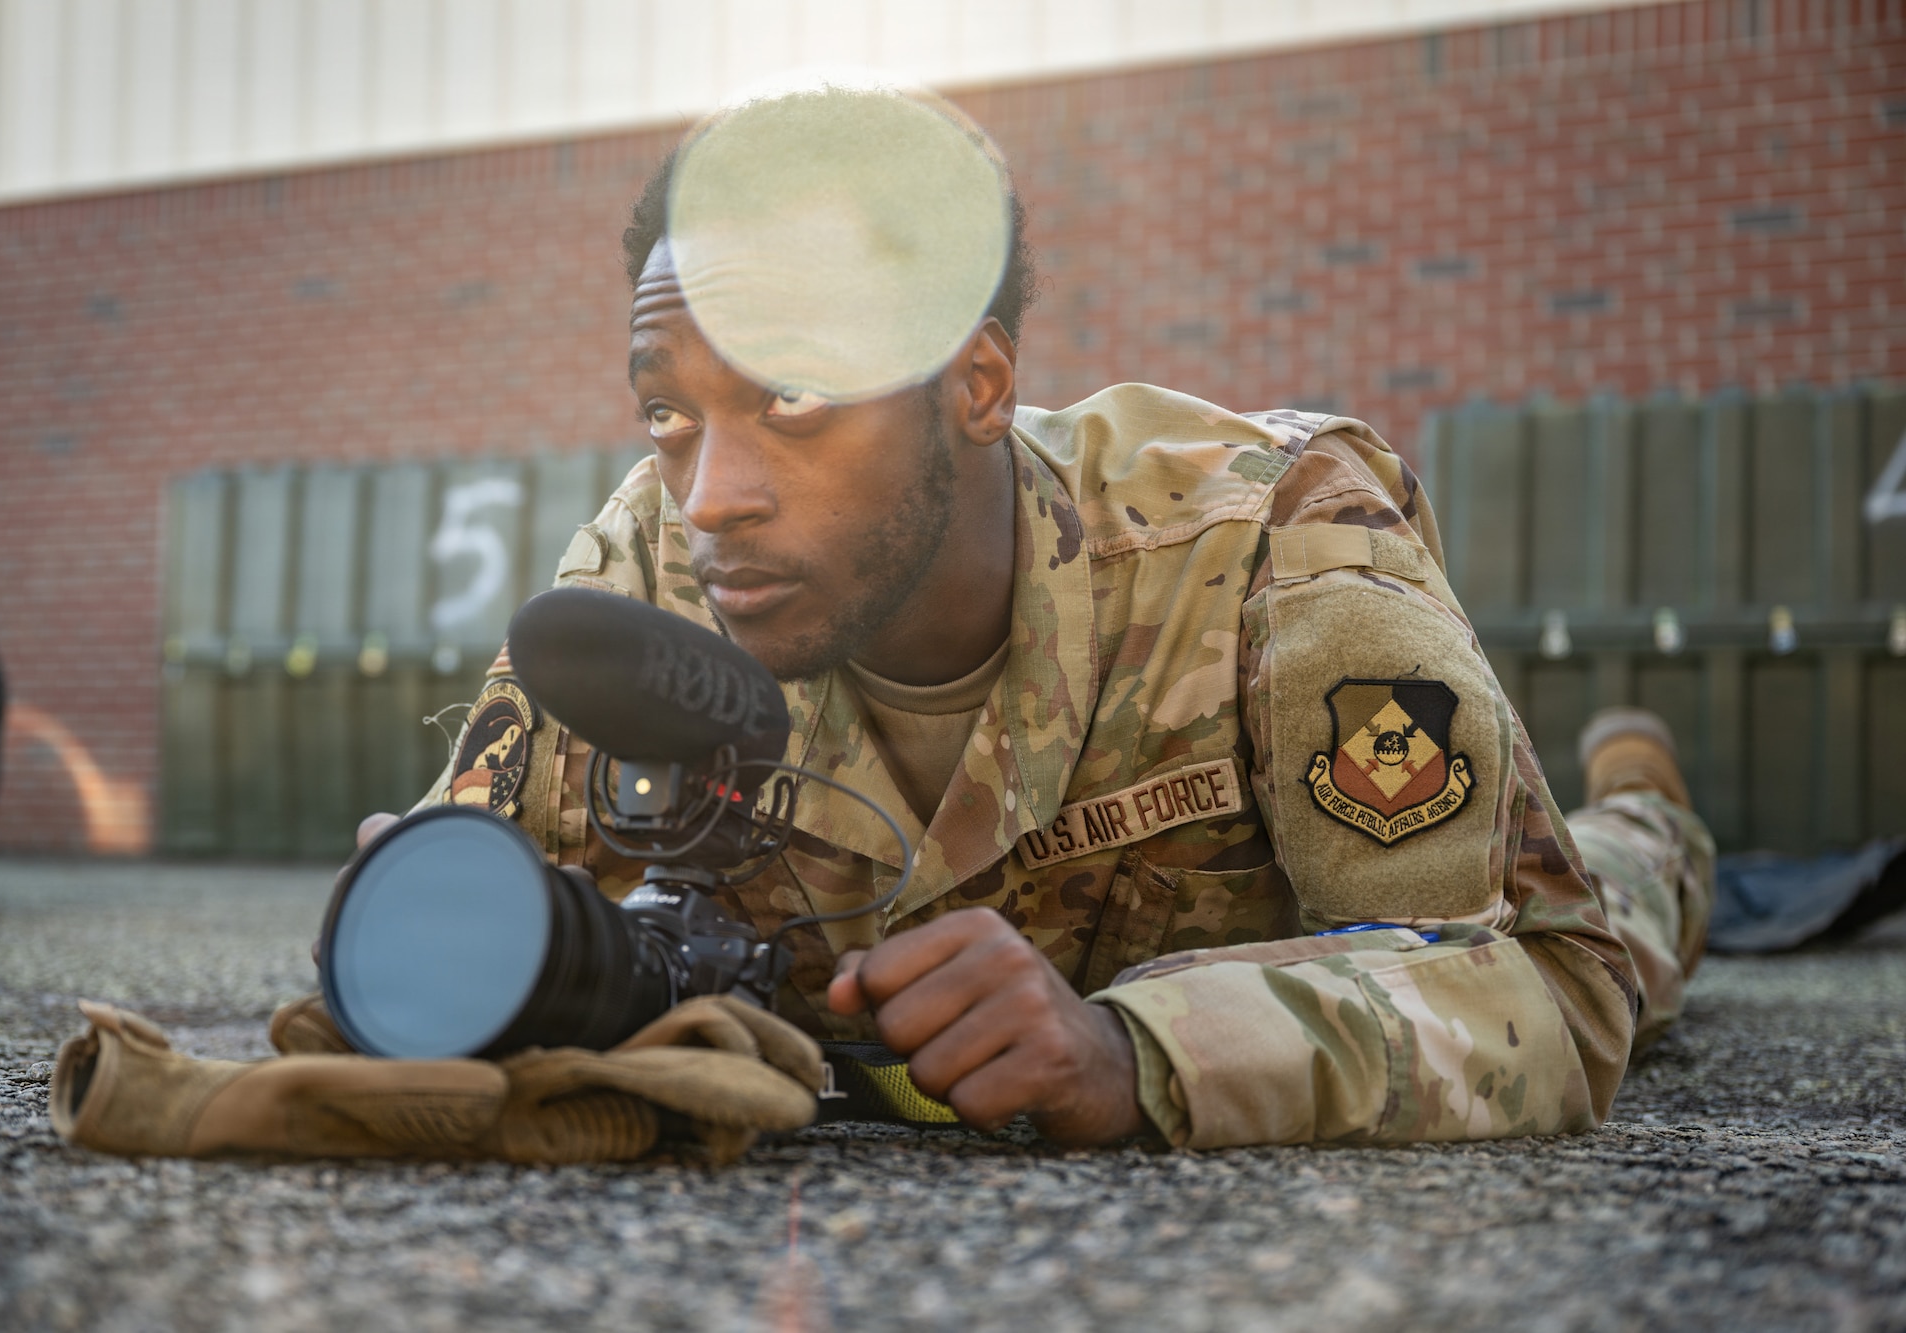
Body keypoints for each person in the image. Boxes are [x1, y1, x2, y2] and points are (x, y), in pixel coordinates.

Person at [353, 87, 1715, 1150]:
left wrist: (1138, 1055)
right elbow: (436, 900)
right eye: (668, 410)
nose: (712, 498)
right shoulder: (634, 585)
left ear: (979, 384)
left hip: (1451, 905)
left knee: (1635, 907)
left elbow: (1545, 994)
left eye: (795, 398)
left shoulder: (1270, 539)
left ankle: (1647, 799)